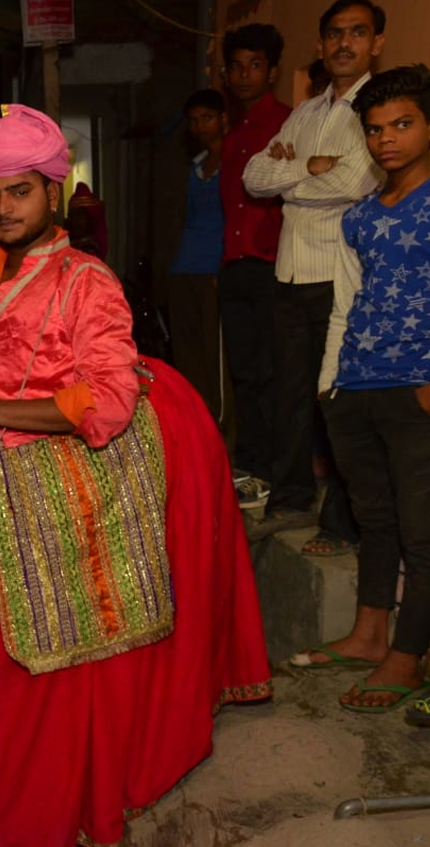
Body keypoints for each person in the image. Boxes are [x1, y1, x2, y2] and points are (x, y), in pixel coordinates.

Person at [0, 104, 270, 847]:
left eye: (21, 192)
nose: (4, 209)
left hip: (60, 438)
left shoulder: (87, 280)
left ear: (53, 193)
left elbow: (110, 397)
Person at [289, 65, 430, 716]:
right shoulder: (361, 216)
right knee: (375, 521)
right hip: (355, 385)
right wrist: (330, 385)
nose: (386, 140)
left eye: (402, 124)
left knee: (421, 532)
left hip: (415, 390)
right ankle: (370, 633)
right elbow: (346, 305)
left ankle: (408, 653)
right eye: (374, 130)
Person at [243, 0, 383, 551]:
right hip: (291, 271)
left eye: (357, 33)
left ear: (375, 44)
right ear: (320, 45)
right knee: (289, 394)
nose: (344, 43)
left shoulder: (376, 109)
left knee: (338, 400)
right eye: (334, 34)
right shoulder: (304, 113)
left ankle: (342, 522)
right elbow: (254, 176)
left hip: (341, 274)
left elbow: (353, 183)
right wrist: (305, 166)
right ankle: (291, 498)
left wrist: (288, 178)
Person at [218, 22, 293, 506]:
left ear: (272, 72)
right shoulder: (234, 136)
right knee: (243, 373)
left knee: (272, 373)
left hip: (274, 266)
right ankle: (249, 467)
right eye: (237, 66)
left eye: (255, 65)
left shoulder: (290, 125)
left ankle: (275, 472)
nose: (245, 75)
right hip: (235, 267)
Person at [168, 88, 229, 423]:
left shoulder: (236, 163)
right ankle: (197, 423)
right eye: (194, 121)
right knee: (187, 355)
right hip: (184, 268)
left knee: (214, 356)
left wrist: (224, 267)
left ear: (223, 119)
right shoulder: (194, 168)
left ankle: (221, 428)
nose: (200, 126)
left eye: (207, 118)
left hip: (214, 269)